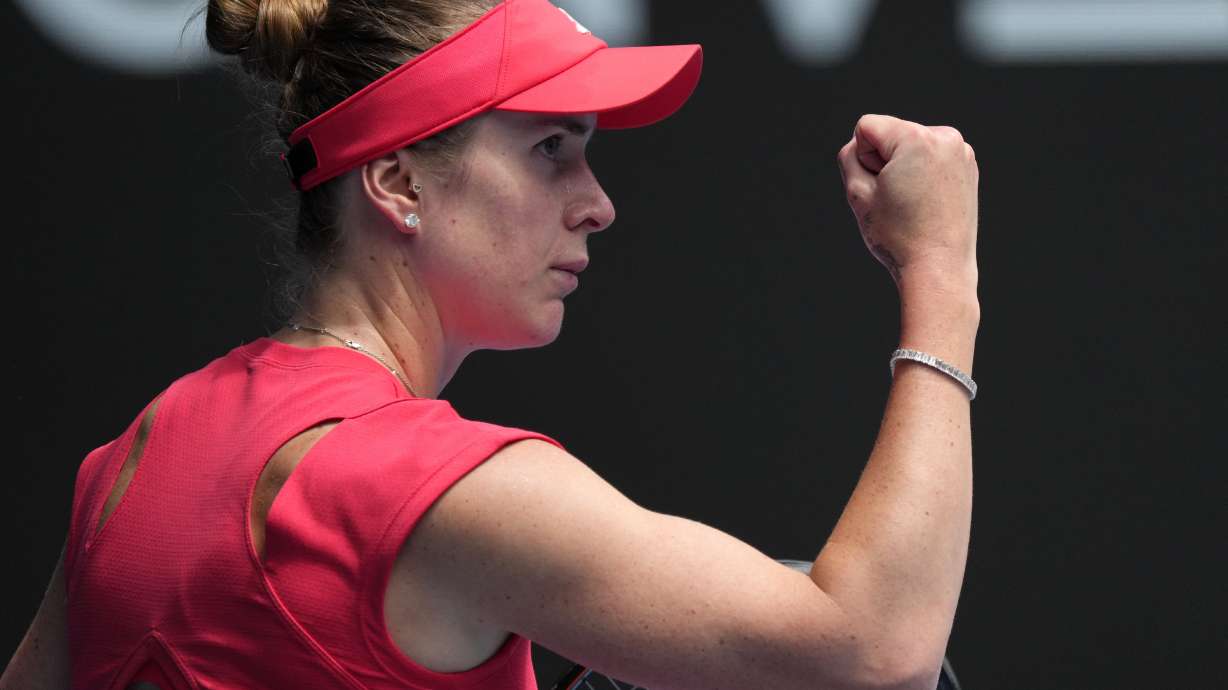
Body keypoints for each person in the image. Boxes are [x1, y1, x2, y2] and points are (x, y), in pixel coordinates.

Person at [2, 0, 981, 688]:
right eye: (548, 148)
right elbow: (877, 653)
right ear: (397, 183)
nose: (596, 203)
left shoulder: (140, 453)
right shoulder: (444, 488)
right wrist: (941, 279)